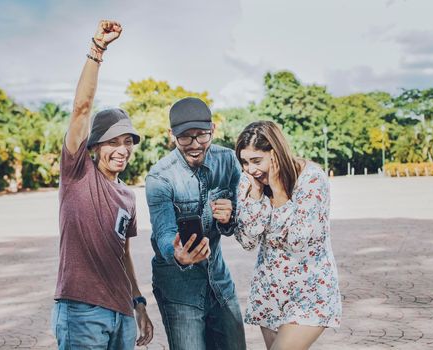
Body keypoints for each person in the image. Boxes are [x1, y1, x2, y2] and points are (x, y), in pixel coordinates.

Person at [51, 20, 153, 350]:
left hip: (121, 313)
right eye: (112, 142)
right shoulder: (77, 173)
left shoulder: (127, 196)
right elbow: (81, 108)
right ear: (95, 147)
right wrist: (98, 50)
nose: (122, 149)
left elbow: (122, 253)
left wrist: (138, 303)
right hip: (81, 312)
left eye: (127, 142)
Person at [145, 97, 246, 350]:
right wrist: (177, 254)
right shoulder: (160, 177)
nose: (195, 145)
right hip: (179, 288)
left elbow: (239, 219)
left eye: (202, 135)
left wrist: (230, 217)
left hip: (218, 281)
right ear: (172, 135)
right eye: (185, 138)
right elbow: (164, 232)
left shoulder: (228, 160)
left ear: (213, 129)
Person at [234, 121, 341, 350]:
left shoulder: (311, 179)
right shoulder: (250, 181)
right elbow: (247, 240)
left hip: (310, 292)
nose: (250, 169)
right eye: (244, 161)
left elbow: (297, 241)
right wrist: (256, 195)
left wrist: (280, 193)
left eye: (256, 160)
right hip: (270, 291)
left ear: (275, 154)